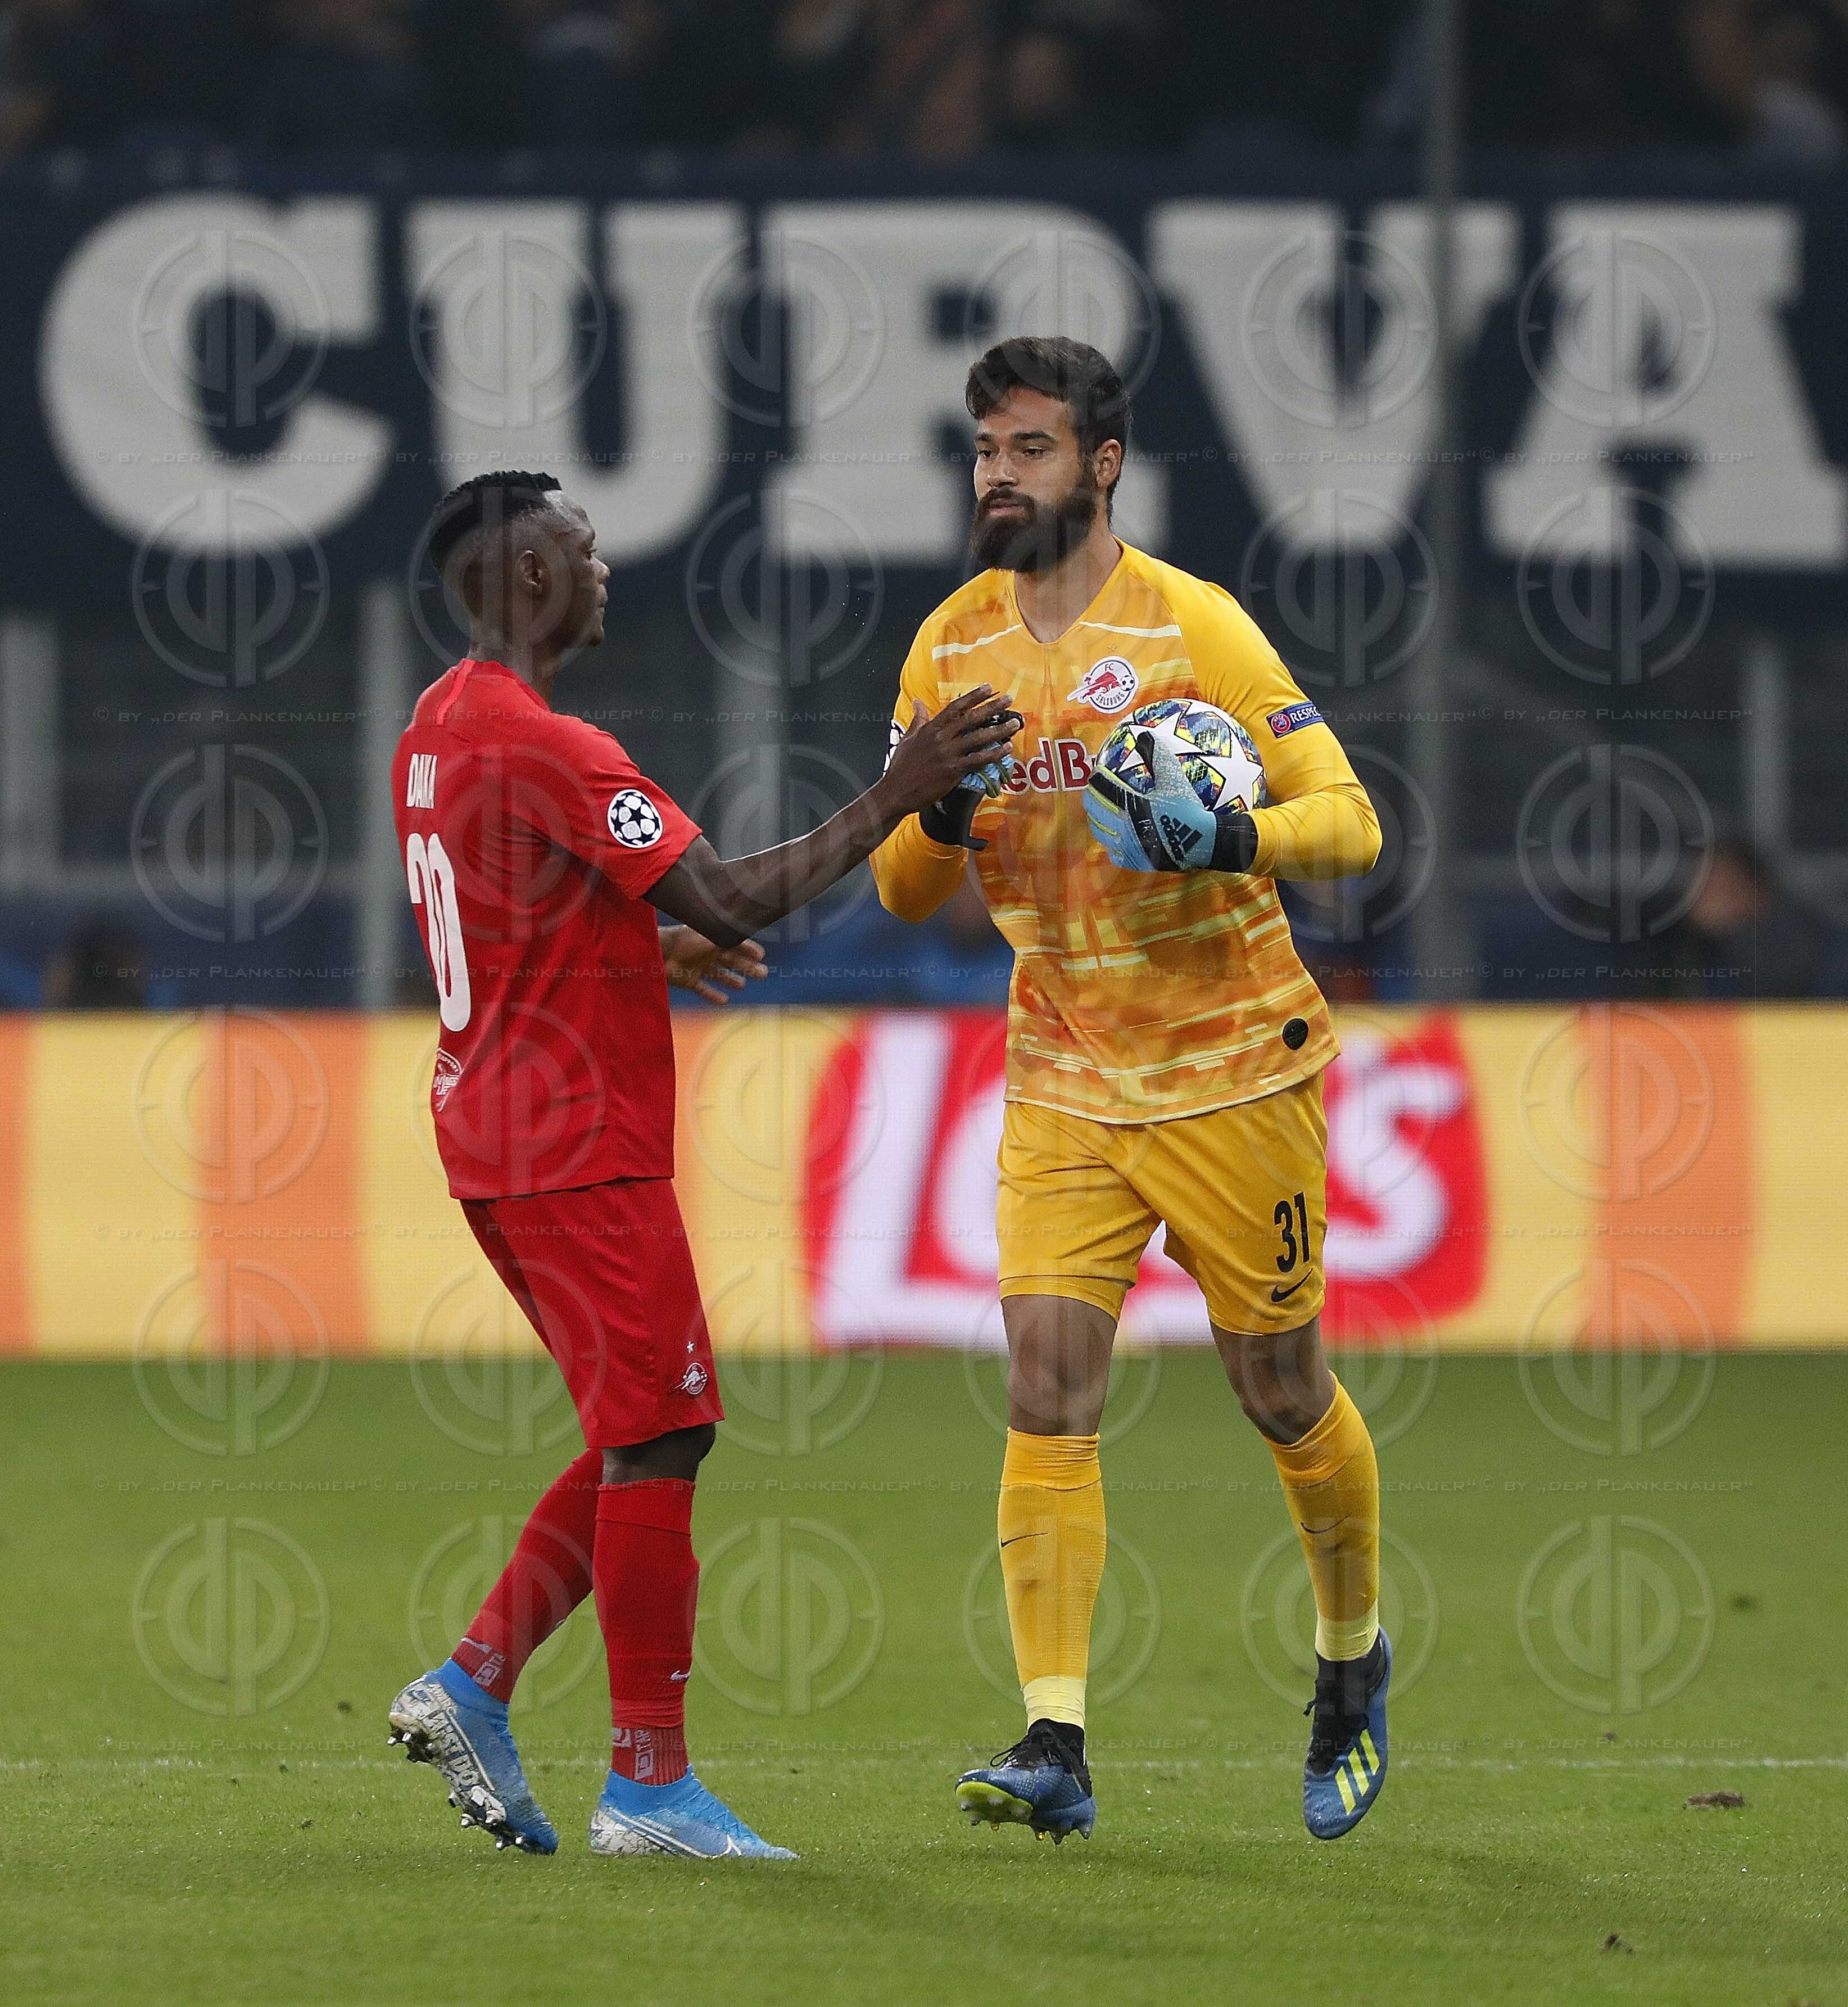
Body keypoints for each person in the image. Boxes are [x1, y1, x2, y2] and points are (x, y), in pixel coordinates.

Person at [386, 469, 1017, 1861]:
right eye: (583, 544)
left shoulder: (435, 730)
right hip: (574, 1144)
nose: (604, 565)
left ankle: (477, 1684)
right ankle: (648, 1788)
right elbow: (731, 888)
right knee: (668, 1428)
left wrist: (641, 952)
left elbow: (506, 924)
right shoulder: (552, 743)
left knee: (635, 1425)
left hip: (490, 1130)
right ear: (529, 574)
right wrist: (902, 789)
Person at [869, 337, 1389, 1844]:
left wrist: (1233, 841)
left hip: (1235, 1069)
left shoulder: (1194, 629)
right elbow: (907, 894)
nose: (994, 476)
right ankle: (1055, 1736)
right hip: (1065, 1074)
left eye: (1026, 449)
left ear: (1101, 467)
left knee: (1279, 1390)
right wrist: (937, 806)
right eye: (981, 449)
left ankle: (1350, 1660)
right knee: (1045, 1382)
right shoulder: (946, 649)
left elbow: (1350, 821)